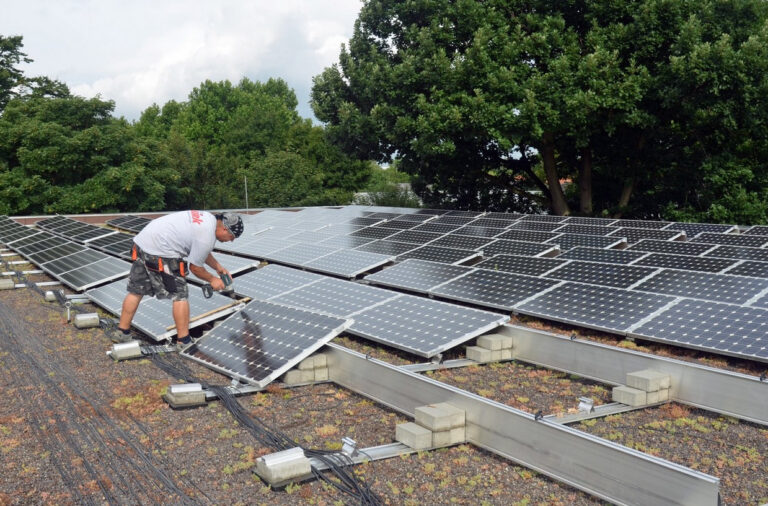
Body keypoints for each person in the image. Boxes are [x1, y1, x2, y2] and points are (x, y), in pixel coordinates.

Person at [117, 210, 244, 346]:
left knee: (137, 290)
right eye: (232, 236)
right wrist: (213, 279)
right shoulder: (206, 236)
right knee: (180, 295)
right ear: (225, 228)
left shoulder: (208, 219)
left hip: (143, 242)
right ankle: (184, 341)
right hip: (162, 250)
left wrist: (218, 268)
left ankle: (122, 332)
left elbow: (200, 252)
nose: (231, 240)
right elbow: (195, 268)